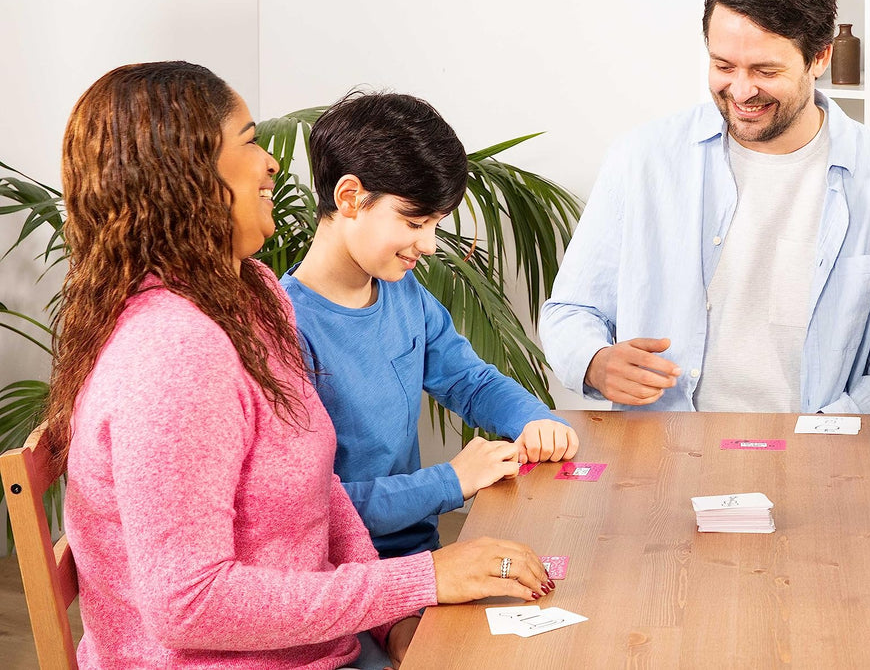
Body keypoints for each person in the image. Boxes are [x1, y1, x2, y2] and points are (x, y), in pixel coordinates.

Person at [49, 63, 553, 670]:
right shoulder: (172, 352)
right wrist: (420, 581)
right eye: (251, 141)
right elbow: (188, 603)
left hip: (323, 640)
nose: (272, 163)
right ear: (186, 175)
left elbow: (324, 497)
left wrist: (395, 616)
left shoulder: (251, 295)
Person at [540, 0, 870, 413]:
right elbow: (571, 311)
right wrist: (595, 361)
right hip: (667, 457)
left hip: (823, 462)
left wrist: (824, 434)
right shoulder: (642, 161)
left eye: (765, 71)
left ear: (820, 58)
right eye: (723, 66)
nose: (740, 91)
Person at [283, 91, 579, 560]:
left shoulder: (402, 291)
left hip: (422, 555)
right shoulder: (284, 329)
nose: (431, 244)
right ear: (350, 198)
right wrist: (453, 480)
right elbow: (313, 509)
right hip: (343, 578)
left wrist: (535, 419)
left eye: (436, 223)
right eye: (416, 222)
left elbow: (469, 380)